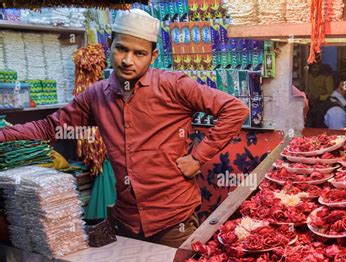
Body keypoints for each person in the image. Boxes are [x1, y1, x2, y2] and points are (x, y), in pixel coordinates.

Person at [0, 9, 249, 248]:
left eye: (139, 53)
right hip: (126, 220)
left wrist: (197, 157)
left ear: (153, 56)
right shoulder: (96, 95)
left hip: (174, 222)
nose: (128, 61)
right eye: (121, 49)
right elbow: (48, 127)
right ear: (110, 44)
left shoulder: (174, 86)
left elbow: (235, 110)